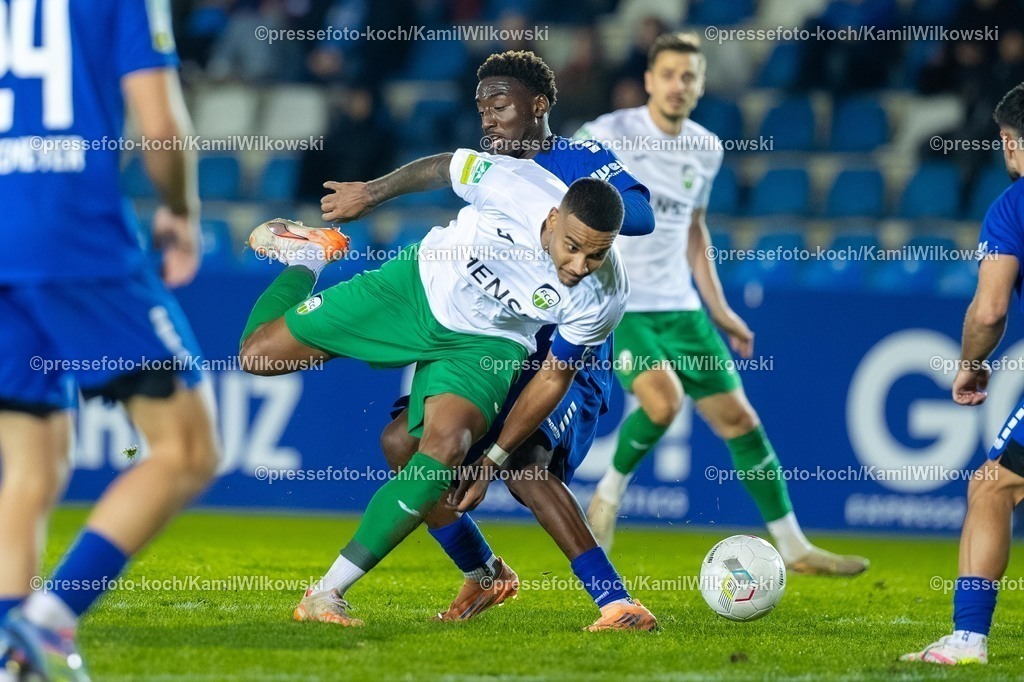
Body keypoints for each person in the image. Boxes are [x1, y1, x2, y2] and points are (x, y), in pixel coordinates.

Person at [319, 50, 658, 630]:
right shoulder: (492, 169)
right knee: (404, 445)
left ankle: (616, 602)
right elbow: (439, 168)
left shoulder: (579, 159)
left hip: (563, 349)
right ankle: (484, 575)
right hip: (498, 341)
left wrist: (571, 204)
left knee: (524, 465)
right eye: (482, 109)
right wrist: (371, 194)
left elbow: (644, 215)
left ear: (538, 106)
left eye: (499, 106)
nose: (489, 120)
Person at [239, 151, 636, 628]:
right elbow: (445, 166)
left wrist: (493, 459)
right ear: (553, 219)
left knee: (446, 447)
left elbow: (554, 376)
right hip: (416, 286)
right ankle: (308, 257)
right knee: (257, 356)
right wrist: (371, 192)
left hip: (488, 342)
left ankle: (327, 593)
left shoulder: (606, 291)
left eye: (597, 254)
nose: (580, 265)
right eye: (572, 247)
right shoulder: (513, 186)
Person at [581, 32, 869, 576]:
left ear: (700, 85)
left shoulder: (706, 148)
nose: (677, 85)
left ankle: (795, 547)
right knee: (663, 404)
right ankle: (607, 498)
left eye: (688, 76)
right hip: (623, 304)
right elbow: (563, 190)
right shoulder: (608, 133)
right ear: (648, 80)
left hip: (683, 308)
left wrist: (719, 308)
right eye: (667, 74)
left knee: (740, 421)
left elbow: (694, 230)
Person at [0, 1, 219, 680]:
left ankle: (10, 656)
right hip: (73, 237)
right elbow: (158, 123)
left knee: (31, 464)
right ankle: (45, 622)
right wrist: (181, 212)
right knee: (188, 450)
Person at [901, 82, 1024, 666]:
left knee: (994, 486)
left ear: (1011, 142)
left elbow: (990, 309)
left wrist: (972, 366)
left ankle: (967, 640)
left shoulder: (1014, 204)